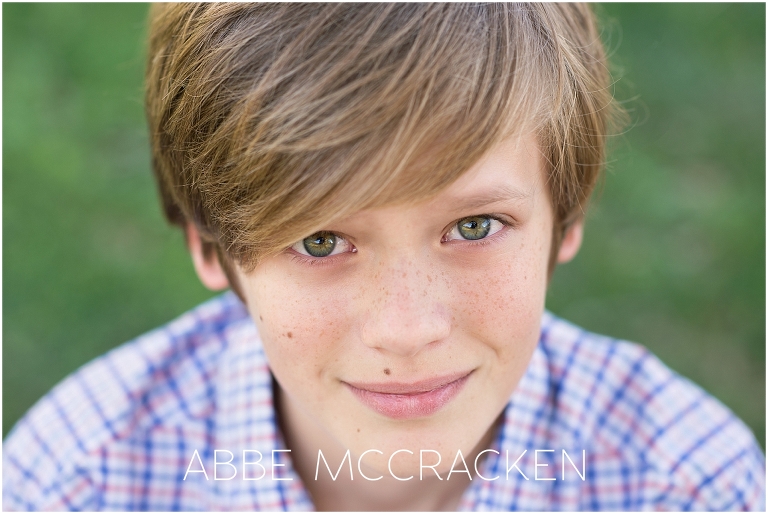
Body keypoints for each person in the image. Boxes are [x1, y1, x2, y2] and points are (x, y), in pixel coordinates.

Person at [3, 3, 764, 511]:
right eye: (320, 241)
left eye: (474, 228)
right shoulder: (80, 482)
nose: (407, 329)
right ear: (212, 247)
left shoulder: (684, 484)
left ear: (567, 215)